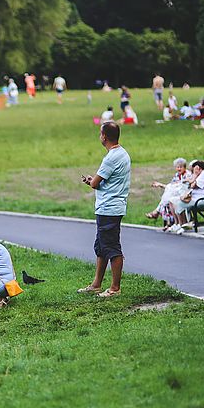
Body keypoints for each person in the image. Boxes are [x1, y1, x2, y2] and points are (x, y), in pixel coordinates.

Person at [79, 121, 130, 298]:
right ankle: (96, 284)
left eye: (100, 133)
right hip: (111, 206)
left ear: (105, 136)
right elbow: (106, 181)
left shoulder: (111, 157)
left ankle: (115, 288)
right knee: (101, 246)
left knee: (111, 247)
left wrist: (90, 181)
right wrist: (95, 181)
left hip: (109, 207)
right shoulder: (122, 153)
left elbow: (95, 183)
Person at [168, 160, 204, 233]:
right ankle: (180, 224)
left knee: (179, 203)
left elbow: (193, 185)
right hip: (196, 198)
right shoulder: (202, 174)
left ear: (198, 168)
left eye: (193, 170)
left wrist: (195, 175)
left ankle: (183, 225)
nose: (193, 172)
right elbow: (192, 184)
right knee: (172, 200)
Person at [146, 157, 190, 230]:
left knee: (167, 198)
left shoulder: (187, 175)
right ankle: (169, 222)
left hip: (184, 194)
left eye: (181, 167)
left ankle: (158, 213)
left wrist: (161, 185)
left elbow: (183, 187)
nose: (179, 169)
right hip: (176, 193)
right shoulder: (177, 175)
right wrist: (160, 185)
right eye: (177, 167)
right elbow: (171, 186)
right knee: (168, 198)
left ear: (184, 167)